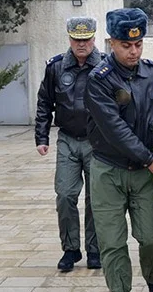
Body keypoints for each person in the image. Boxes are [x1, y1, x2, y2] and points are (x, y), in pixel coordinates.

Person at [85, 8, 153, 292]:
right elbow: (114, 129)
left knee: (152, 237)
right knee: (112, 243)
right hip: (108, 170)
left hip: (146, 174)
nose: (133, 51)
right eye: (125, 45)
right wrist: (152, 159)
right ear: (111, 43)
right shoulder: (99, 80)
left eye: (137, 45)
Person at [35, 16, 103, 272]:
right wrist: (41, 137)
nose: (81, 44)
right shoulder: (56, 67)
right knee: (65, 195)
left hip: (97, 141)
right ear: (69, 39)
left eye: (86, 40)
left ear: (94, 39)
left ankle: (95, 250)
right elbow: (44, 102)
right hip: (67, 139)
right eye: (77, 39)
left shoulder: (105, 67)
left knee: (96, 199)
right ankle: (71, 249)